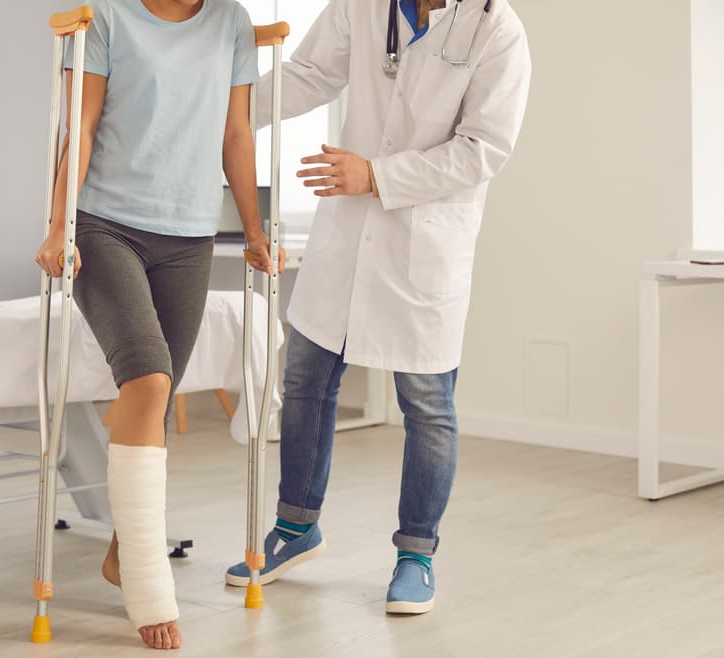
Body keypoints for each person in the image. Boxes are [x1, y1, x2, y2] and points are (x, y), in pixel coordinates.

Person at [226, 0, 531, 615]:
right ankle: (295, 527)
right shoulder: (362, 7)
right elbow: (308, 74)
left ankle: (416, 553)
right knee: (307, 378)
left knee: (427, 404)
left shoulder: (496, 28)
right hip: (347, 236)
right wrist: (223, 112)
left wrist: (378, 175)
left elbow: (483, 149)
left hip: (423, 235)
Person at [35, 0, 276, 650]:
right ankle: (147, 586)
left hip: (192, 235)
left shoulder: (229, 22)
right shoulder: (109, 15)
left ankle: (122, 552)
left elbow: (237, 134)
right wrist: (61, 225)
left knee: (158, 398)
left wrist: (253, 230)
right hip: (106, 224)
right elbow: (79, 125)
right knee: (148, 380)